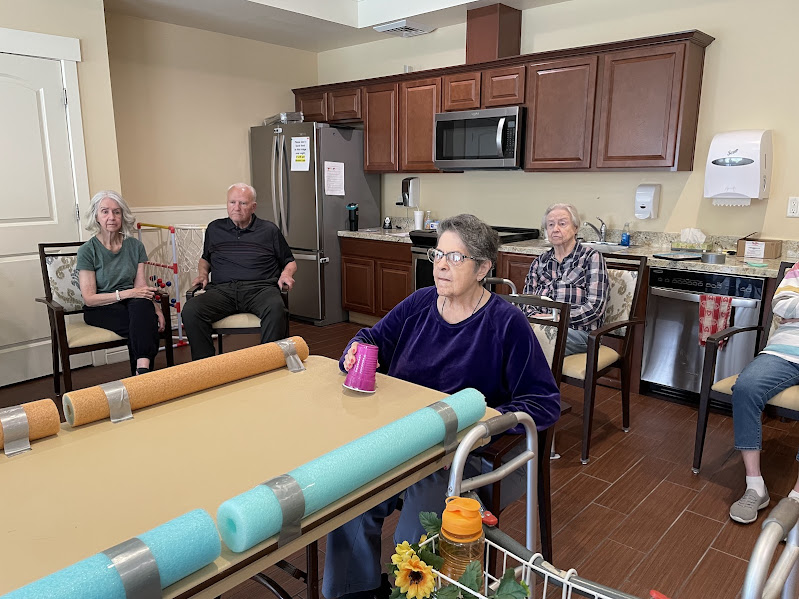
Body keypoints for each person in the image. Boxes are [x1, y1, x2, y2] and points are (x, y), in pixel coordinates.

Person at [322, 214, 561, 599]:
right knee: (351, 497)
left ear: (483, 268)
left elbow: (543, 402)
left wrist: (485, 426)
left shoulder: (506, 323)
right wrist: (353, 352)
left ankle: (412, 593)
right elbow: (371, 336)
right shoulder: (420, 303)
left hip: (469, 454)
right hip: (405, 440)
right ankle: (354, 592)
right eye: (438, 254)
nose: (442, 265)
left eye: (456, 257)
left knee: (419, 518)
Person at [182, 183, 297, 360]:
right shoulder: (214, 229)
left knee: (276, 309)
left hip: (260, 289)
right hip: (223, 291)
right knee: (191, 310)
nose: (236, 208)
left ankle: (267, 362)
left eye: (243, 203)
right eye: (232, 202)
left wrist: (286, 274)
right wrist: (203, 274)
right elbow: (205, 258)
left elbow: (289, 261)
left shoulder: (269, 230)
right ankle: (205, 367)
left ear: (253, 207)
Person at [729, 261, 799, 524]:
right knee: (746, 387)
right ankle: (754, 485)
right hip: (783, 351)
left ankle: (795, 499)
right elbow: (780, 303)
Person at [77, 190, 165, 375]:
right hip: (101, 307)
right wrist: (127, 294)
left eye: (117, 212)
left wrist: (157, 309)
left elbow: (141, 287)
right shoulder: (87, 250)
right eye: (105, 211)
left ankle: (141, 370)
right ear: (96, 216)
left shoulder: (135, 246)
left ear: (122, 216)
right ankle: (144, 374)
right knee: (144, 323)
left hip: (133, 303)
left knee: (142, 310)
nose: (111, 217)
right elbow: (89, 299)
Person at [522, 203, 608, 356]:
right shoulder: (539, 262)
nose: (555, 229)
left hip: (579, 333)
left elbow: (595, 307)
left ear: (575, 228)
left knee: (528, 342)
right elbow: (526, 302)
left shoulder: (590, 257)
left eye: (562, 223)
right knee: (506, 333)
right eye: (550, 225)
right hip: (540, 327)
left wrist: (559, 319)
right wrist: (538, 319)